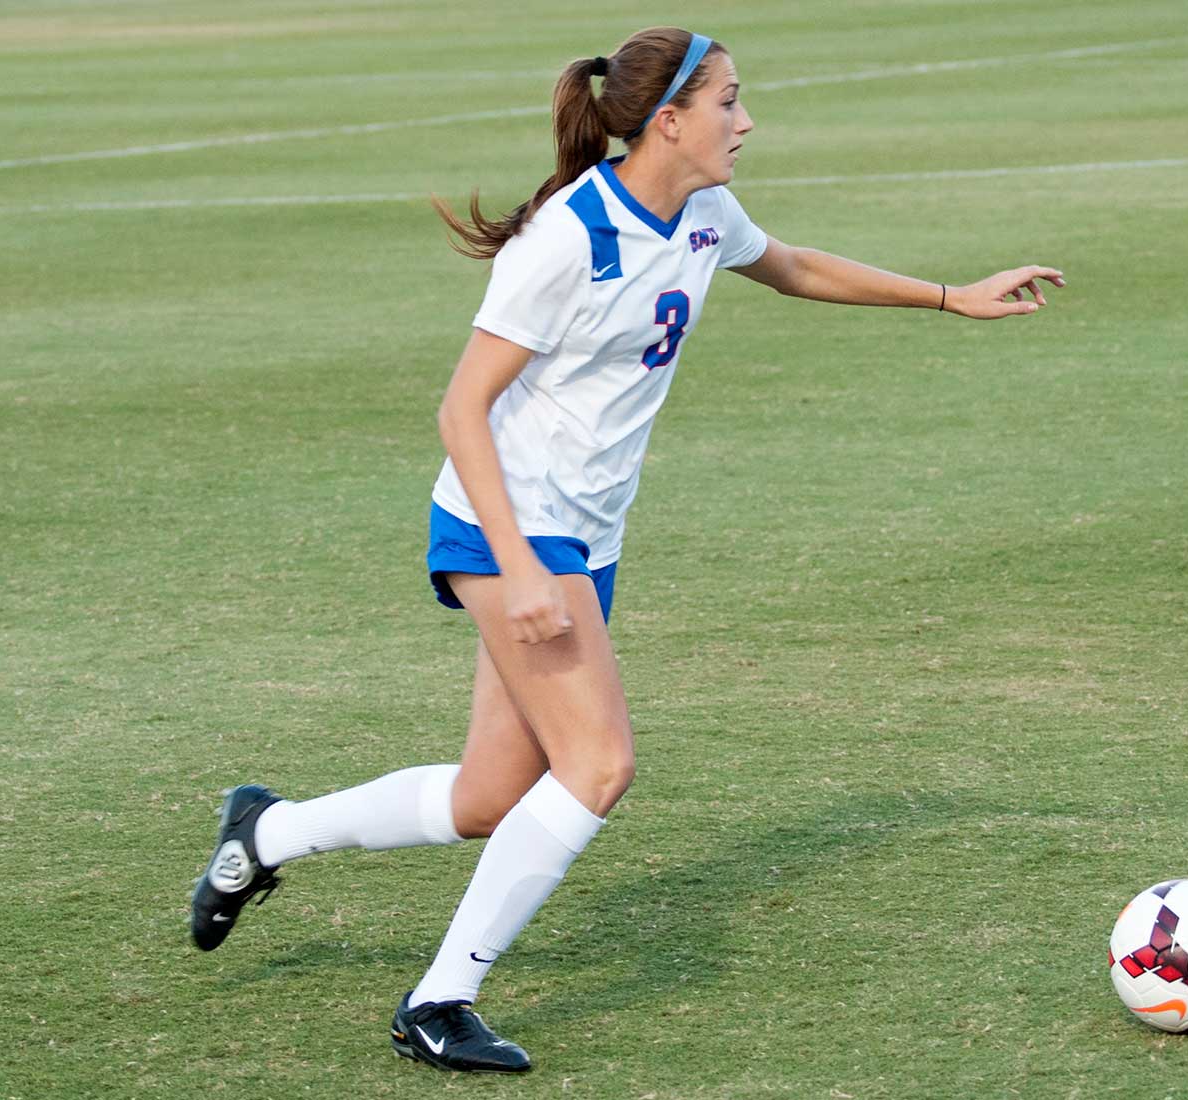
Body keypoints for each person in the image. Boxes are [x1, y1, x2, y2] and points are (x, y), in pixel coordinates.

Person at [188, 26, 1064, 1075]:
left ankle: (264, 833)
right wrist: (517, 566)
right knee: (598, 764)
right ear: (670, 120)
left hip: (582, 535)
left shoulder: (703, 212)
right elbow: (461, 409)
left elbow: (790, 266)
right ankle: (439, 999)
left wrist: (950, 294)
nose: (747, 121)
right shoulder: (567, 236)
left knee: (486, 796)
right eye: (730, 101)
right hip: (510, 525)